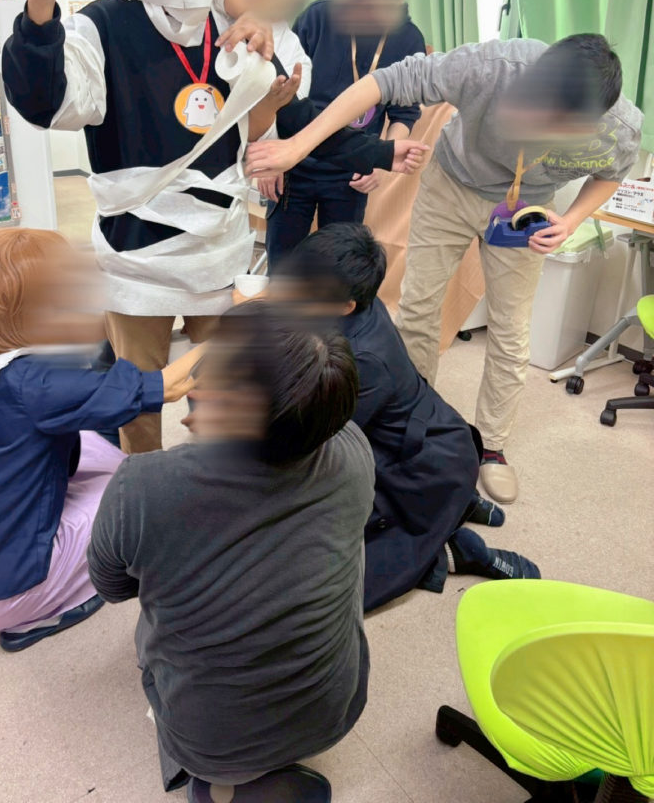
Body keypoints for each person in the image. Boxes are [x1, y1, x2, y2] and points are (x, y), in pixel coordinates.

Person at [246, 34, 644, 502]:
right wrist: (297, 146)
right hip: (452, 185)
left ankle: (492, 446)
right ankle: (413, 422)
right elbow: (383, 82)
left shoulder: (618, 129)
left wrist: (571, 220)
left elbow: (610, 174)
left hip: (525, 208)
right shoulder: (494, 66)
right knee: (418, 309)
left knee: (511, 329)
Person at [2, 0, 279, 455]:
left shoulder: (236, 23)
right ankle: (142, 488)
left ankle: (219, 477)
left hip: (220, 250)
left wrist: (251, 16)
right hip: (135, 258)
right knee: (136, 397)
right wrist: (42, 3)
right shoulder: (101, 25)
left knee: (224, 387)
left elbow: (281, 87)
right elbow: (46, 102)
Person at [87, 304, 374, 798]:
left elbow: (111, 586)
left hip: (211, 746)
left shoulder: (142, 486)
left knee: (151, 621)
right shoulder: (353, 448)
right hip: (336, 711)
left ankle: (221, 786)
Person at [0, 228, 199, 653]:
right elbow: (169, 386)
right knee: (139, 493)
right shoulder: (41, 384)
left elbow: (82, 353)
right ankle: (40, 614)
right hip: (4, 590)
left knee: (97, 448)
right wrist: (228, 336)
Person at [273, 223, 540, 612]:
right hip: (434, 434)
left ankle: (456, 549)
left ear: (346, 305)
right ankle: (457, 506)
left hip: (423, 464)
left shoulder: (360, 358)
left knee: (311, 571)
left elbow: (320, 440)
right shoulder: (362, 302)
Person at [266, 0, 427, 268]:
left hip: (353, 171)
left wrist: (379, 160)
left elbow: (404, 111)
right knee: (282, 266)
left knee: (339, 271)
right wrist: (275, 154)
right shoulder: (316, 18)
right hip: (295, 164)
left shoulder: (409, 39)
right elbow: (281, 92)